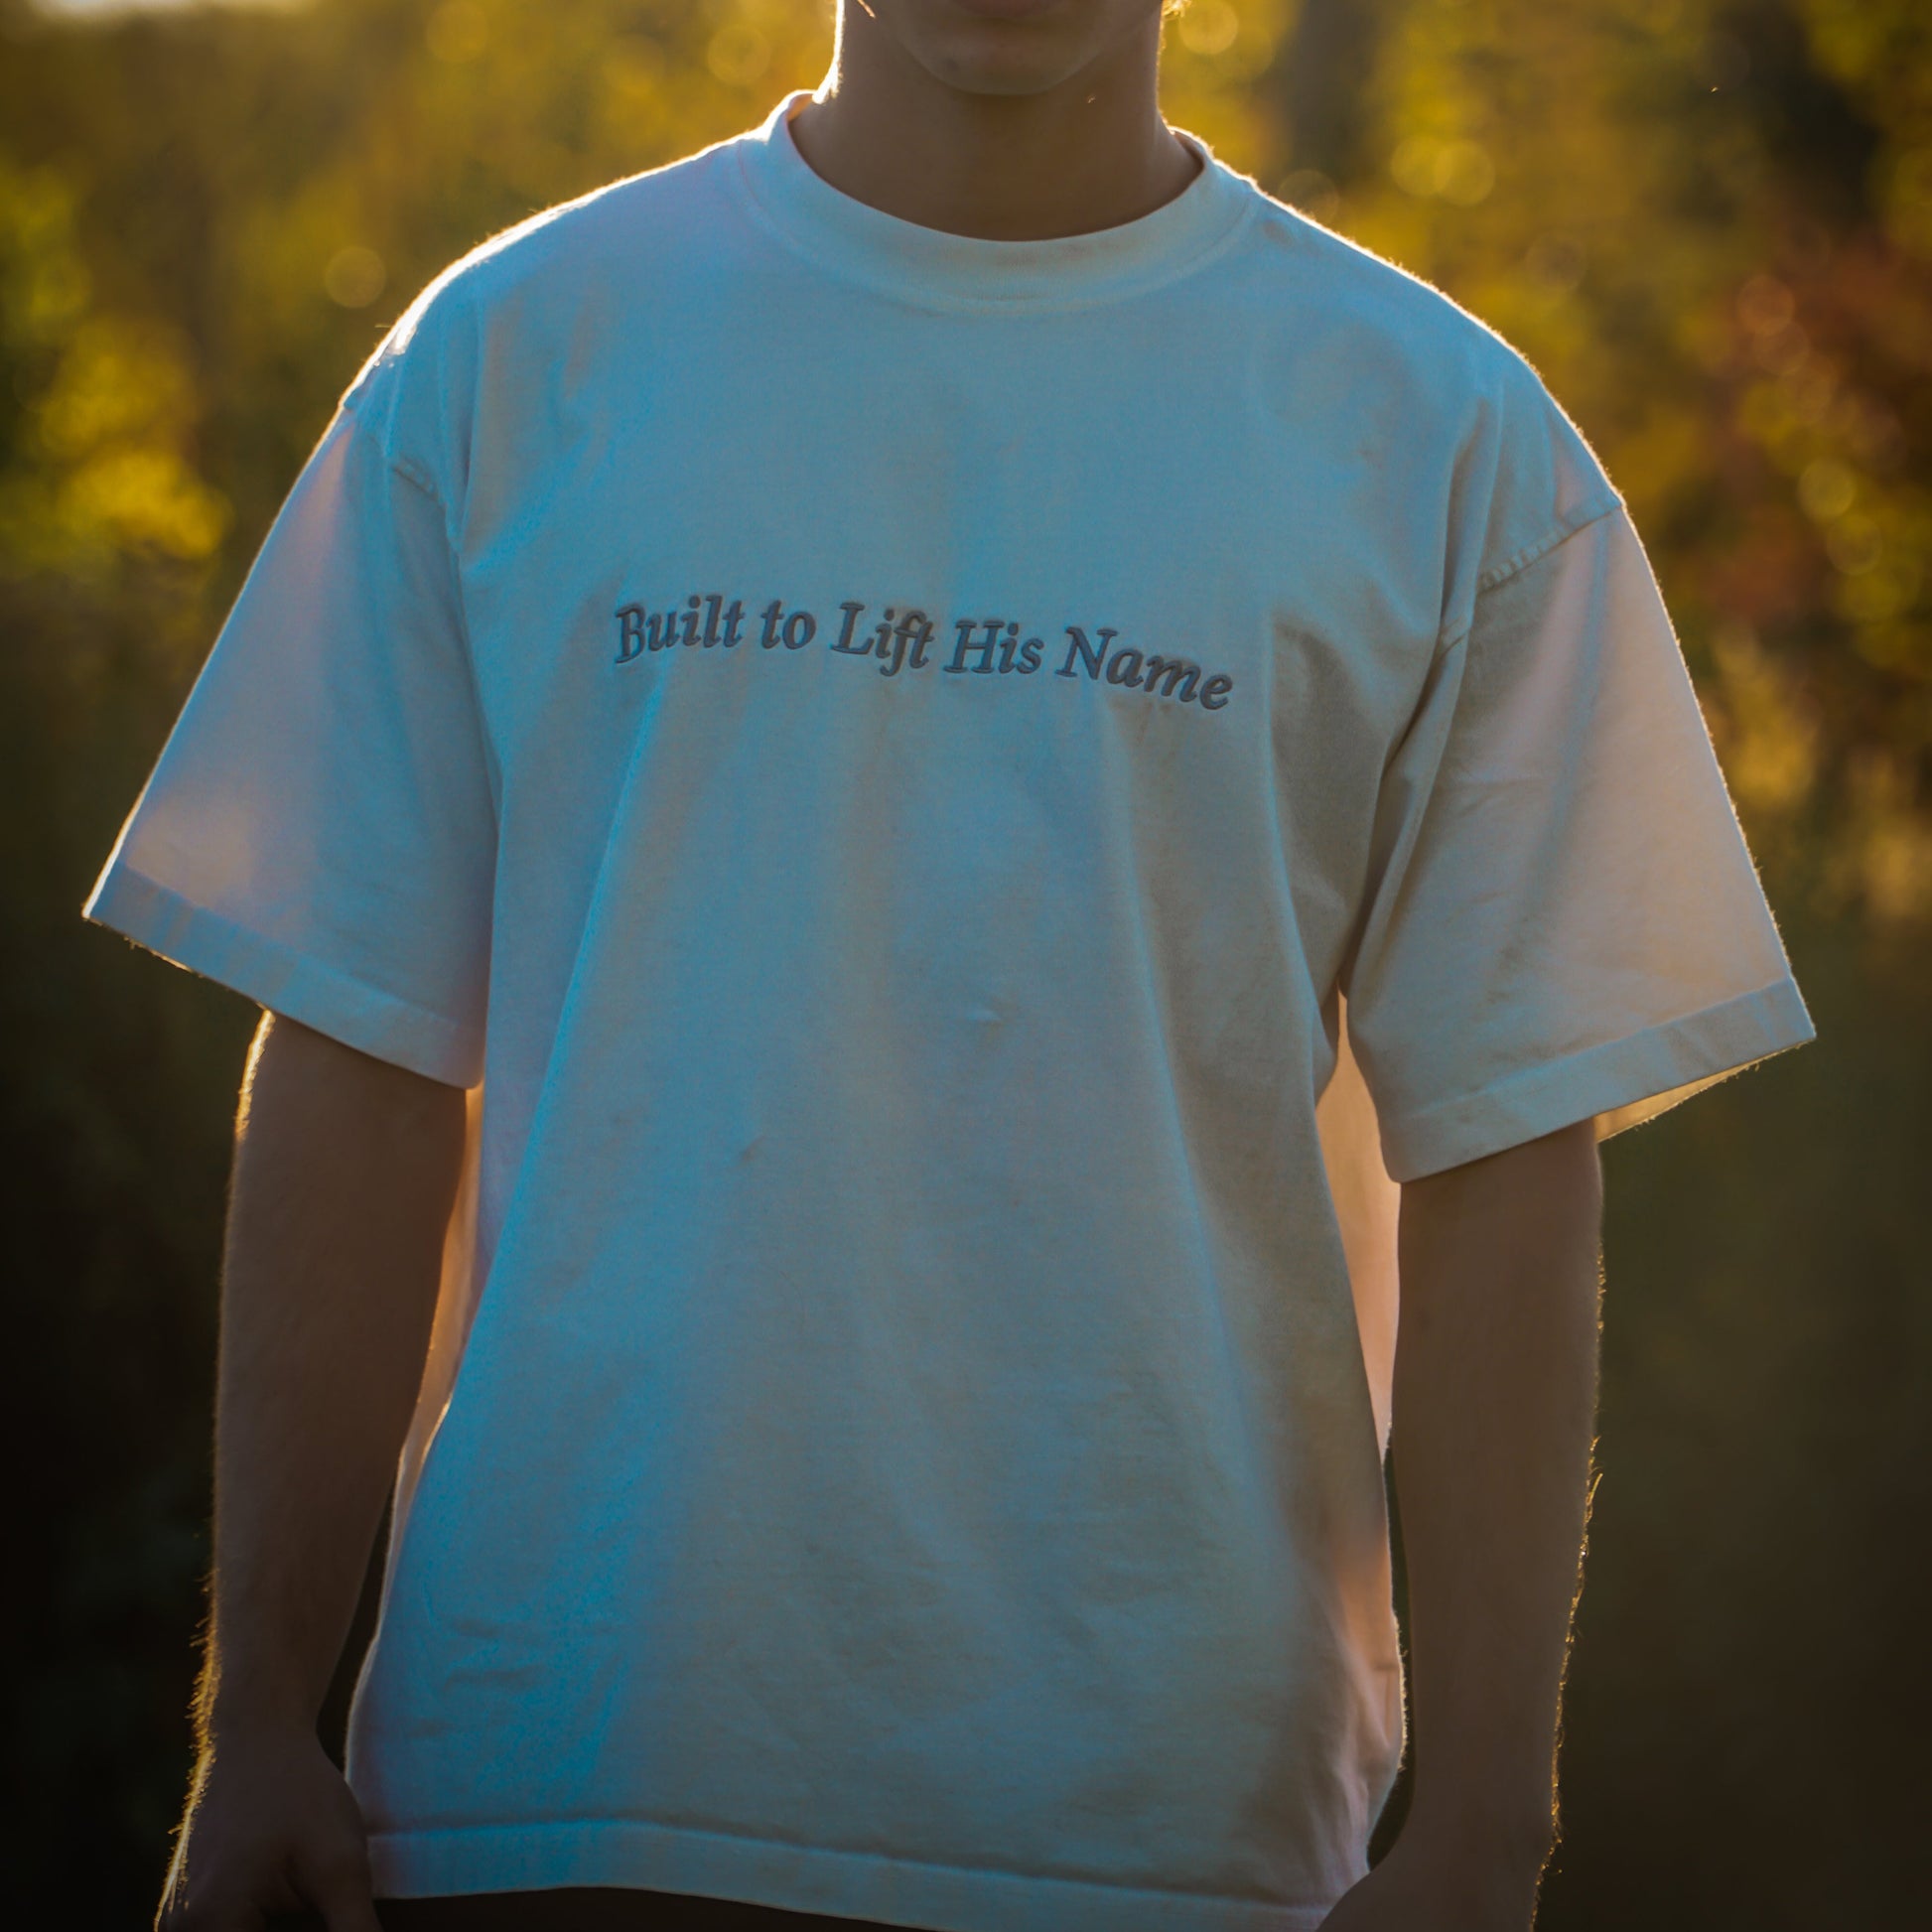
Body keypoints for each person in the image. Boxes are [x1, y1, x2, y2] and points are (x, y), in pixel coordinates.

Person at [87, 1, 1814, 1929]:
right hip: (555, 1778)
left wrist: (1488, 1824)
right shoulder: (510, 358)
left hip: (1184, 1819)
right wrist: (258, 1730)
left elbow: (1507, 1157)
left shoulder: (1440, 436)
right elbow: (357, 1049)